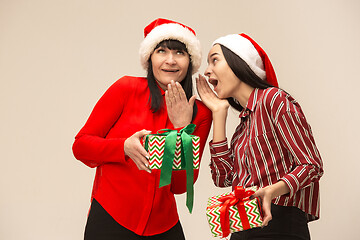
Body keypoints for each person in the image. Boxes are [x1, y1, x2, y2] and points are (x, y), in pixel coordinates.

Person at [72, 18, 212, 240]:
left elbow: (179, 186)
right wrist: (123, 147)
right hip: (111, 218)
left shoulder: (201, 113)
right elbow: (81, 146)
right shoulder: (126, 89)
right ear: (150, 58)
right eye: (162, 51)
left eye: (179, 53)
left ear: (190, 60)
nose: (170, 60)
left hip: (163, 226)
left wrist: (182, 129)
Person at [196, 33, 323, 240]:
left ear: (239, 62)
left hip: (280, 226)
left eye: (215, 60)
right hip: (243, 226)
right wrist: (219, 114)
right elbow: (222, 178)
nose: (207, 70)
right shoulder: (241, 129)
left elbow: (311, 165)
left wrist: (271, 191)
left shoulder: (274, 100)